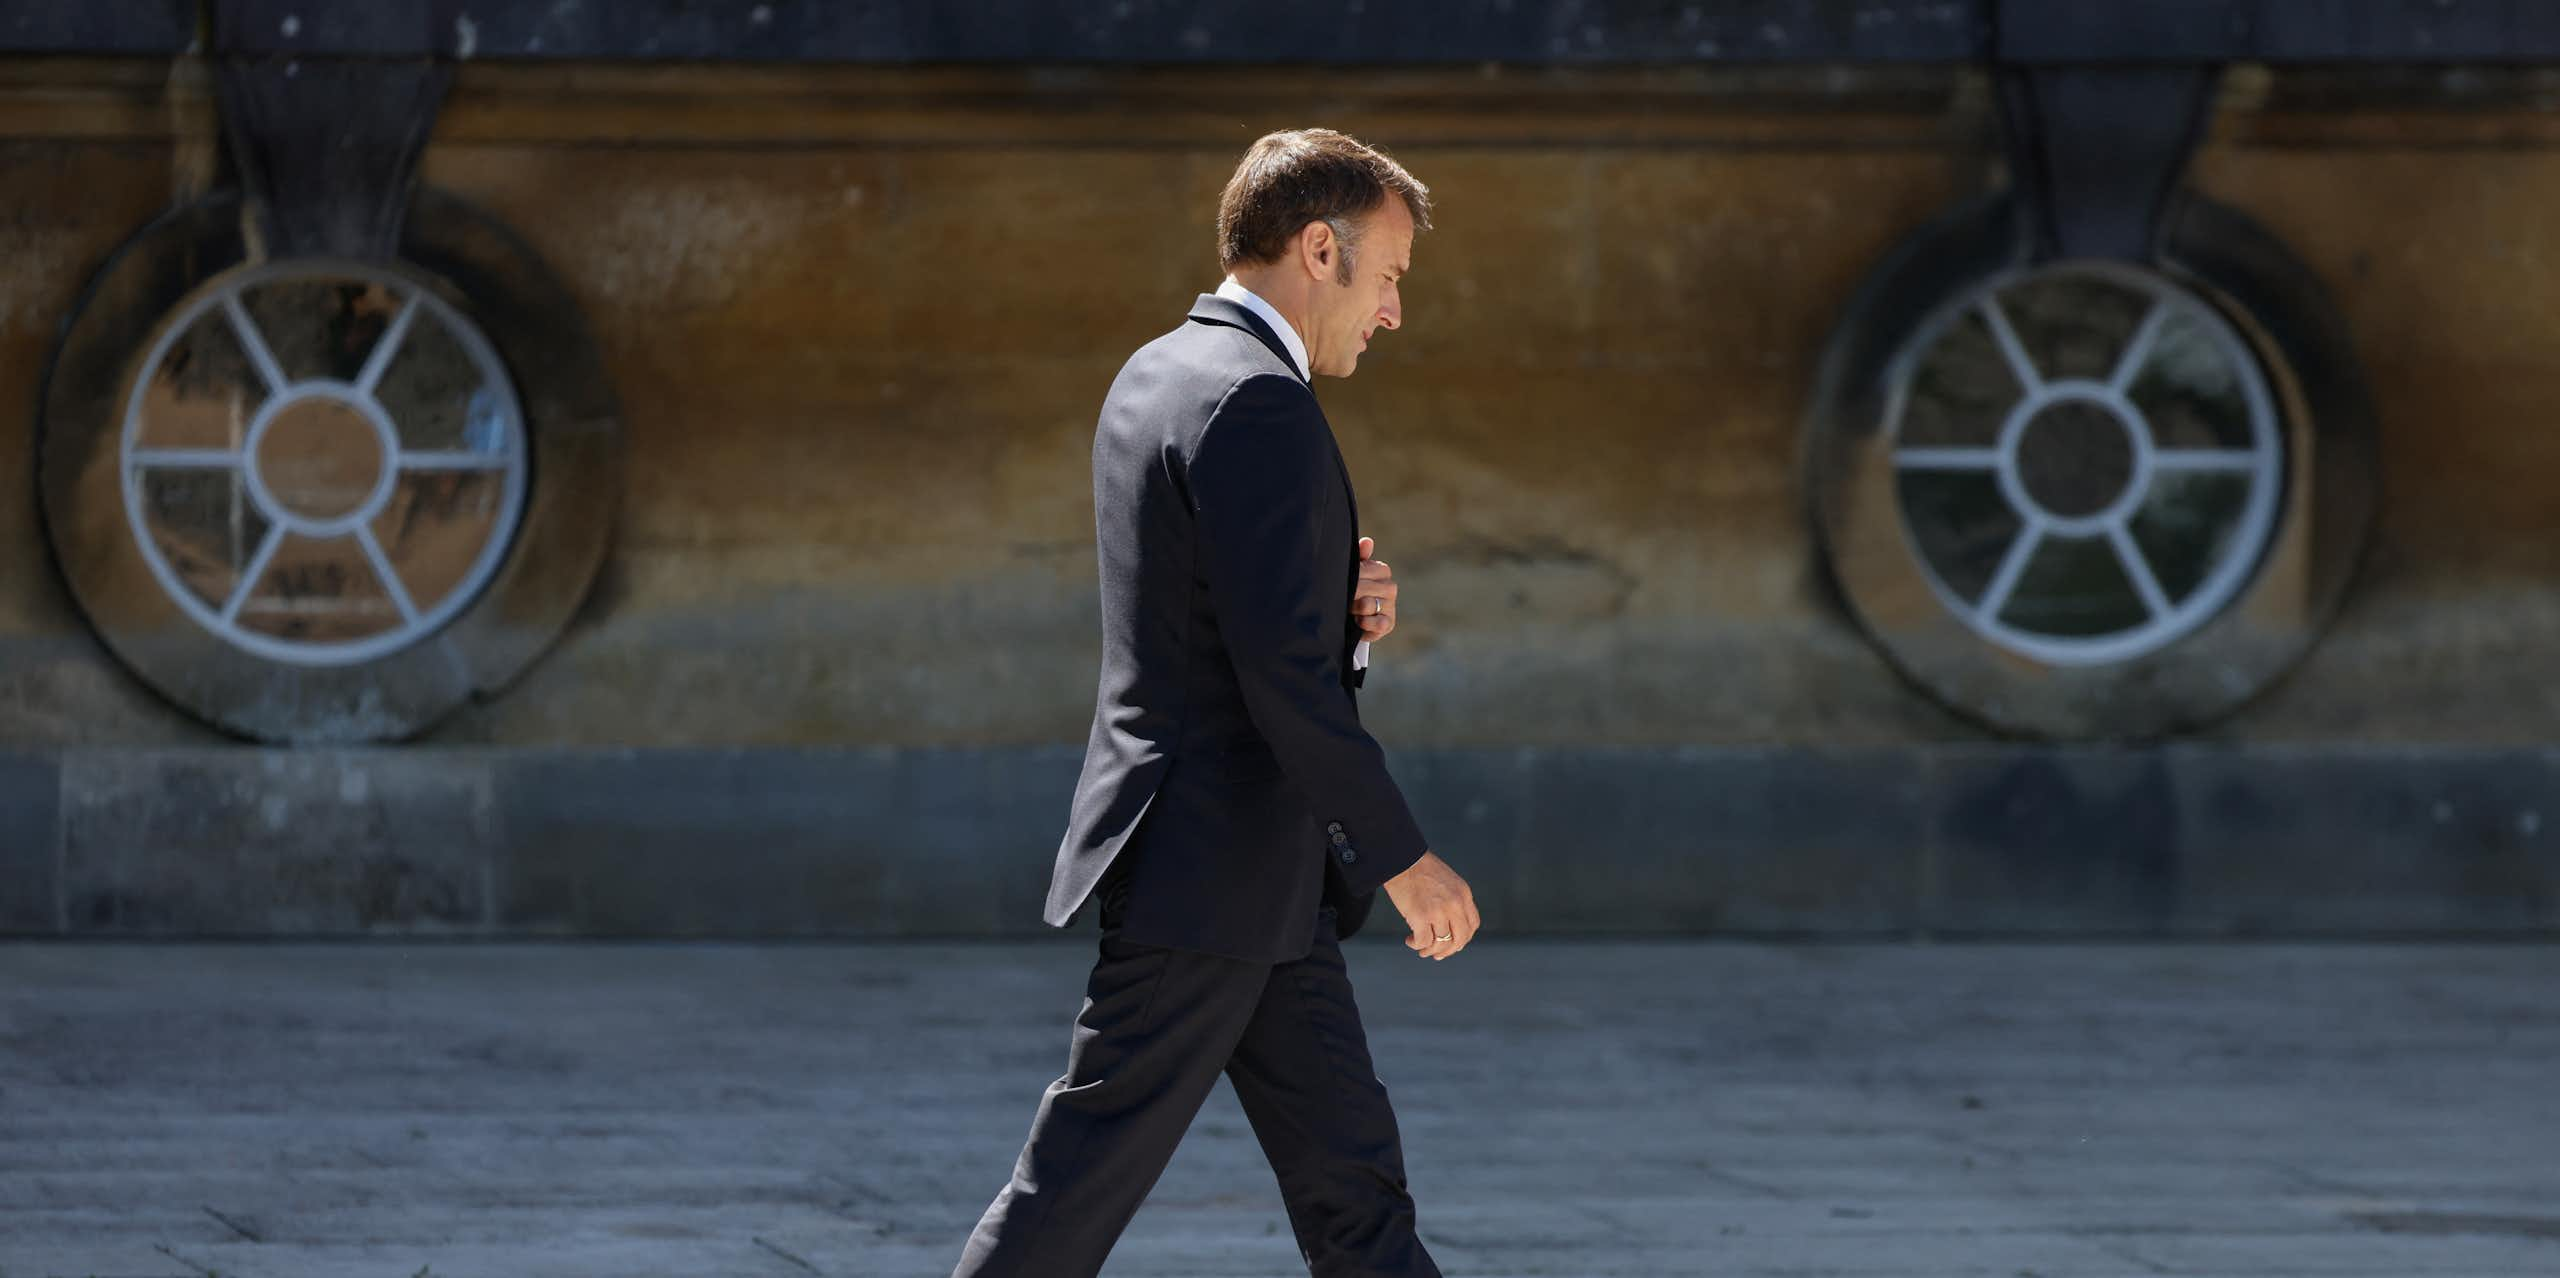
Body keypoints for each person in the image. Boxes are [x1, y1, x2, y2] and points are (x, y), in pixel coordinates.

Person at [949, 128, 1479, 1278]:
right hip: (1213, 875)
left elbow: (1221, 619)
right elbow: (1277, 680)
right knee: (1070, 1194)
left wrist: (1339, 614)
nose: (1392, 313)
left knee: (1358, 1197)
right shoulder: (1258, 404)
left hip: (1250, 881)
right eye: (1387, 278)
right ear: (1318, 250)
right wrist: (1402, 856)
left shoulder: (1159, 371)